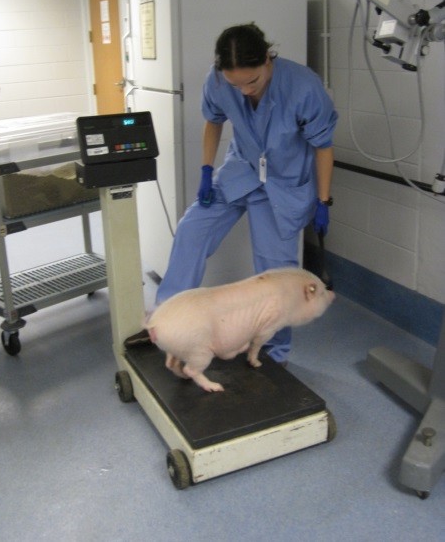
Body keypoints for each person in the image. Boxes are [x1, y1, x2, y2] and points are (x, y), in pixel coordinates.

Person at [131, 23, 337, 363]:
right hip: (241, 171)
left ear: (268, 59)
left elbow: (323, 146)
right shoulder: (216, 80)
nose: (243, 91)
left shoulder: (304, 87)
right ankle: (164, 323)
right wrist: (206, 171)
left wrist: (323, 200)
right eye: (234, 84)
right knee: (191, 230)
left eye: (252, 81)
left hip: (284, 184)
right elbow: (213, 121)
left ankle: (274, 350)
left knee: (278, 270)